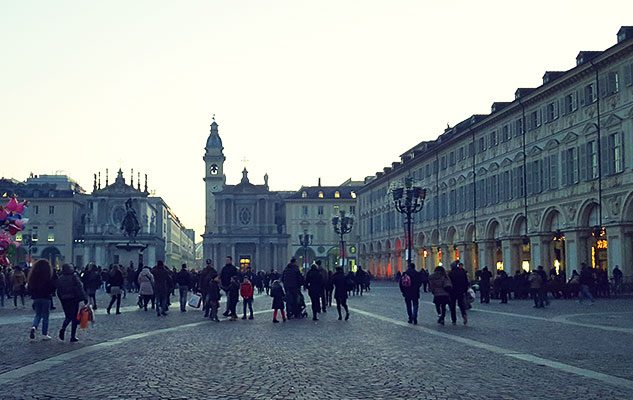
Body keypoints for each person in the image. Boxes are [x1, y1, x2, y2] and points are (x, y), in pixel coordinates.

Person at [56, 264, 88, 342]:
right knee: (74, 317)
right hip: (73, 299)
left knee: (68, 316)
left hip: (64, 299)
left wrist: (61, 298)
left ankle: (63, 328)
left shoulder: (60, 278)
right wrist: (84, 298)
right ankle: (72, 336)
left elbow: (58, 290)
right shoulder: (74, 277)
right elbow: (80, 288)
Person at [27, 260, 56, 340]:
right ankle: (44, 334)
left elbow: (30, 287)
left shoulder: (33, 276)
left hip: (36, 297)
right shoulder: (48, 275)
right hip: (46, 297)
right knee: (45, 316)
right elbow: (53, 287)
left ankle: (34, 327)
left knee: (38, 315)